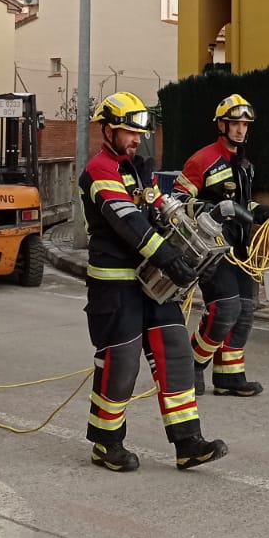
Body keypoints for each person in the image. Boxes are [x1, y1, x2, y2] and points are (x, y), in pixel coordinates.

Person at [79, 91, 228, 473]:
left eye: (137, 133)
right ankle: (106, 443)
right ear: (107, 130)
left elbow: (167, 210)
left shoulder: (138, 170)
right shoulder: (99, 170)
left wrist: (197, 252)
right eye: (128, 132)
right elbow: (129, 222)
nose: (135, 139)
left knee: (176, 352)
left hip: (154, 283)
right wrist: (170, 258)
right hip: (116, 285)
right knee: (121, 363)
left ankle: (188, 443)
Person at [177, 94, 269, 398]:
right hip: (212, 249)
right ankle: (193, 364)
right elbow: (179, 201)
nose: (240, 130)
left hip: (241, 249)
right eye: (235, 123)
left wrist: (259, 210)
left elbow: (242, 203)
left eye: (245, 125)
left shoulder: (245, 164)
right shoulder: (202, 160)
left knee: (246, 310)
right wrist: (217, 209)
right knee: (225, 309)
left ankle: (229, 376)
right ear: (221, 125)